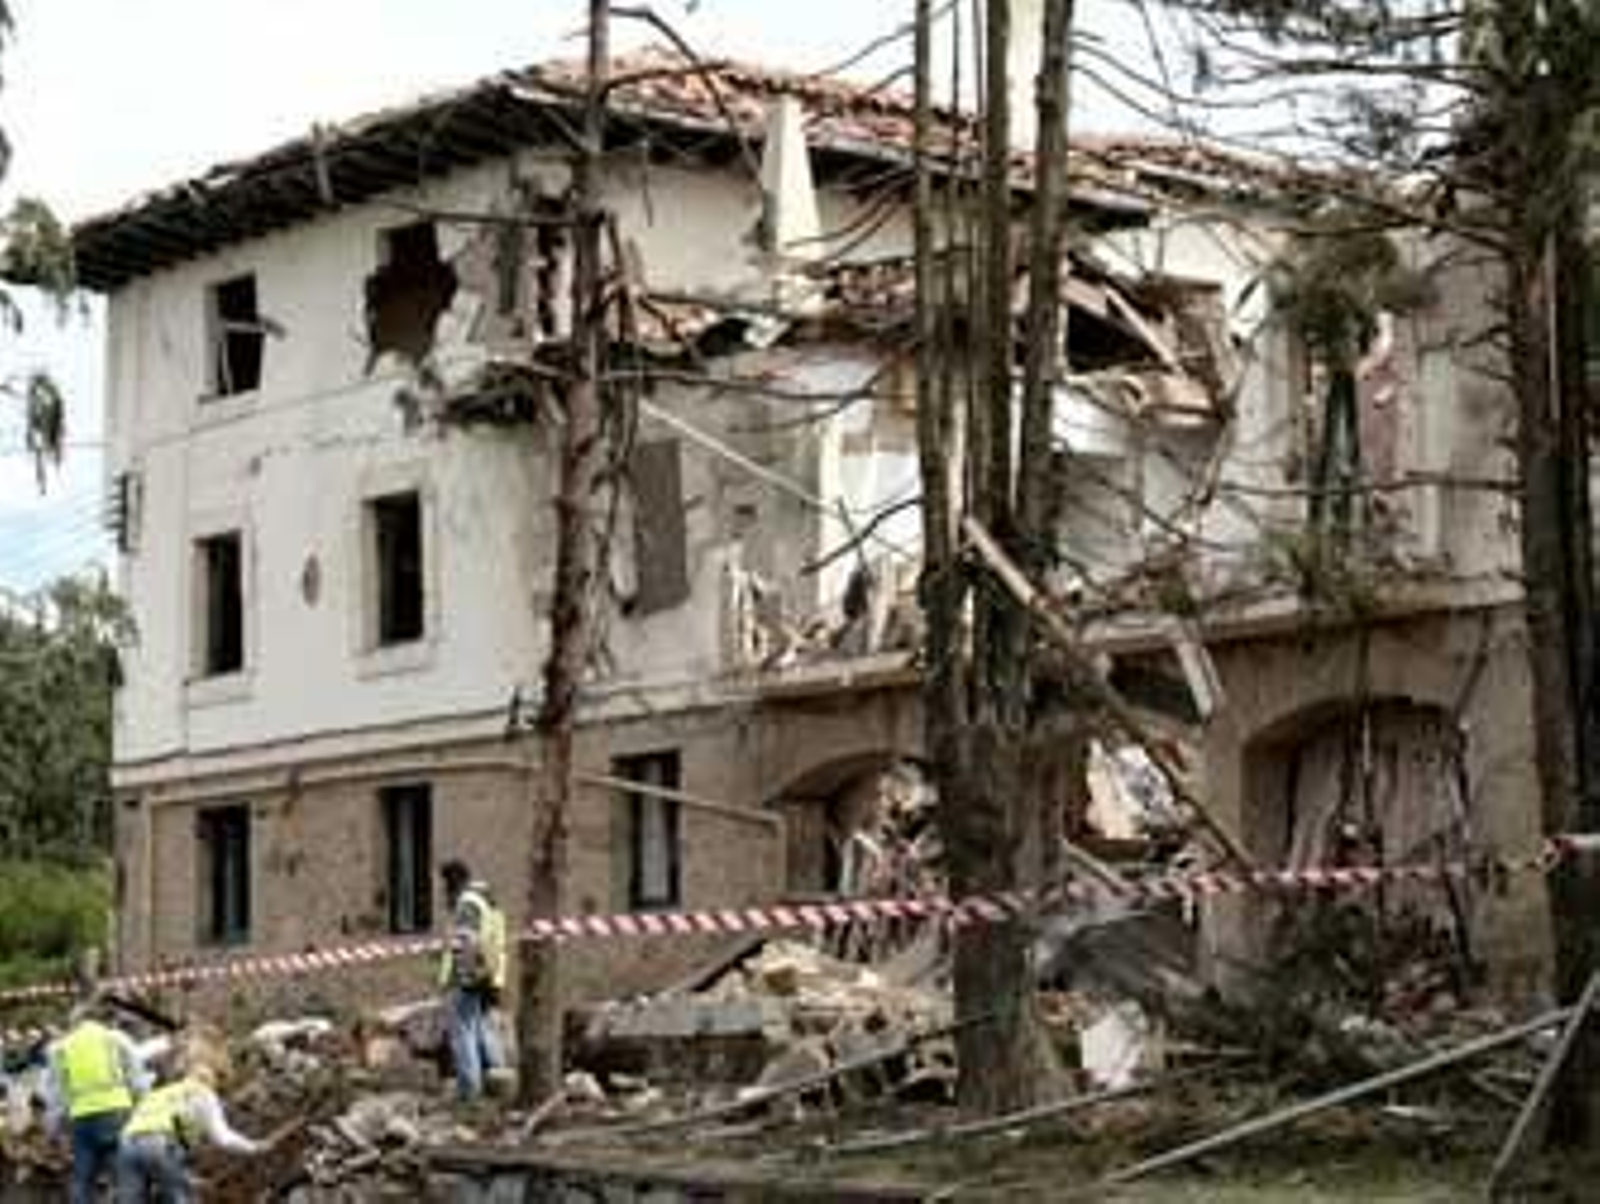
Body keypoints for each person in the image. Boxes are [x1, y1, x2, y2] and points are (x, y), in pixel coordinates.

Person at [114, 1053, 264, 1203]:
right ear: (212, 1081)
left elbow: (161, 1143)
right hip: (159, 1142)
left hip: (126, 1144)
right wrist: (254, 1147)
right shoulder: (203, 1093)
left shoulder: (160, 1093)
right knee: (181, 1198)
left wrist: (184, 1177)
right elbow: (223, 1138)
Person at [44, 998, 148, 1204]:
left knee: (82, 1178)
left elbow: (56, 1092)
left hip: (81, 1117)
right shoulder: (116, 1038)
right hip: (117, 1112)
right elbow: (137, 1078)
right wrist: (143, 1108)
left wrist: (53, 1127)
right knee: (124, 1176)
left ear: (75, 1022)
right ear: (101, 1019)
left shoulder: (59, 1048)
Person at [438, 858, 508, 1101]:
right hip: (489, 973)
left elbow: (465, 942)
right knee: (483, 1028)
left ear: (453, 881)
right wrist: (494, 980)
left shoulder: (467, 904)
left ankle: (470, 1089)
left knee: (463, 1031)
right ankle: (499, 1081)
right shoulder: (488, 901)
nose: (443, 891)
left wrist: (463, 979)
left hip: (471, 975)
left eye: (445, 884)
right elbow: (496, 941)